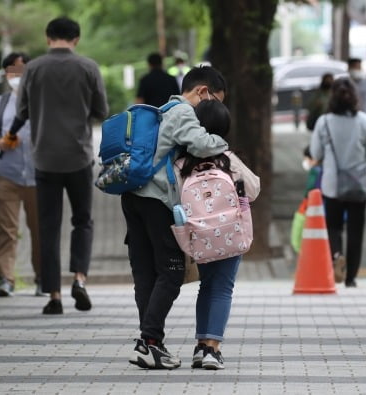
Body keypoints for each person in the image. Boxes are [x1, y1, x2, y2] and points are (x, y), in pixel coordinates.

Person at [123, 66, 229, 370]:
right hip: (156, 201)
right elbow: (203, 145)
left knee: (145, 274)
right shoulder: (183, 112)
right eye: (213, 101)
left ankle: (152, 343)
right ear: (201, 92)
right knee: (170, 273)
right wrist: (225, 145)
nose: (212, 109)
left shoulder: (161, 110)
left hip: (133, 197)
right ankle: (148, 342)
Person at [13, 17, 109, 314]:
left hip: (44, 159)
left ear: (47, 37)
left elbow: (22, 110)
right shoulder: (89, 68)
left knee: (49, 226)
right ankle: (79, 278)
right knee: (82, 220)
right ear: (76, 39)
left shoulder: (32, 69)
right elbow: (102, 110)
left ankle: (54, 295)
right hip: (79, 157)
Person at [174, 99, 260, 370]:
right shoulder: (227, 159)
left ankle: (200, 347)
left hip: (199, 236)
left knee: (207, 286)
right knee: (223, 288)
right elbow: (254, 188)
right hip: (231, 234)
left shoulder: (182, 162)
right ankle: (213, 349)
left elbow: (175, 196)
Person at [310, 78, 366, 288]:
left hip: (332, 186)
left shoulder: (324, 122)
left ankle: (337, 257)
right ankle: (351, 278)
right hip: (358, 185)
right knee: (356, 231)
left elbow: (315, 153)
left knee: (333, 228)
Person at [0, 52, 42, 297]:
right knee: (6, 231)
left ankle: (43, 279)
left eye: (21, 71)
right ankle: (6, 279)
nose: (16, 76)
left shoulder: (43, 101)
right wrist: (0, 144)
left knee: (40, 231)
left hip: (39, 177)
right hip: (7, 174)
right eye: (11, 71)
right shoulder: (1, 103)